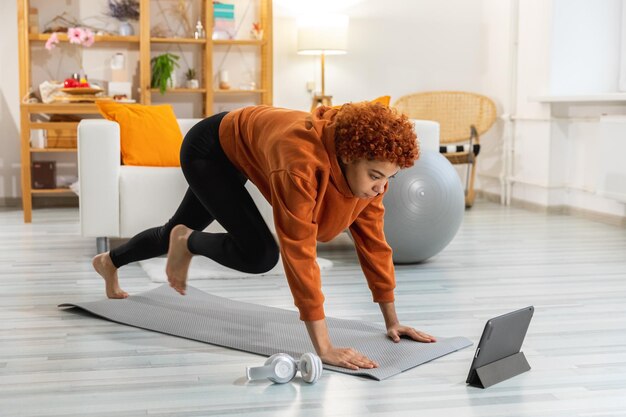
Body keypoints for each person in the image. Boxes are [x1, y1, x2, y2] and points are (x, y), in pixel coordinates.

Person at [92, 102, 437, 371]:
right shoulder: (299, 164)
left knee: (172, 230)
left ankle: (110, 261)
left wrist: (393, 322)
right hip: (209, 149)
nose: (381, 188)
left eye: (388, 179)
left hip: (239, 144)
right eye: (375, 176)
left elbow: (374, 244)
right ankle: (188, 241)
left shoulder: (371, 182)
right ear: (348, 155)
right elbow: (299, 253)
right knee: (261, 255)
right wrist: (324, 347)